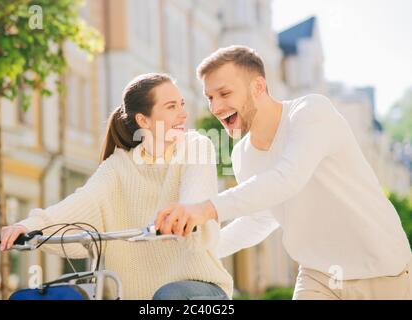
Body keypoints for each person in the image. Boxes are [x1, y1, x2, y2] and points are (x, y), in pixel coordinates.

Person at [155, 45, 412, 300]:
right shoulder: (242, 155)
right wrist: (198, 250)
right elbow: (260, 218)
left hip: (381, 271)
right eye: (210, 97)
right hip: (319, 277)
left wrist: (206, 208)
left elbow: (287, 178)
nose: (216, 107)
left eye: (224, 93)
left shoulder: (311, 113)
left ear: (257, 87)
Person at [0, 73, 233, 300]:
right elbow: (83, 202)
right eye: (171, 107)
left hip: (202, 289)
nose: (183, 114)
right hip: (131, 293)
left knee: (168, 296)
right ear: (143, 120)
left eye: (181, 104)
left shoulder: (196, 146)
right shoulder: (117, 166)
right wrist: (29, 226)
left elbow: (195, 196)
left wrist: (186, 216)